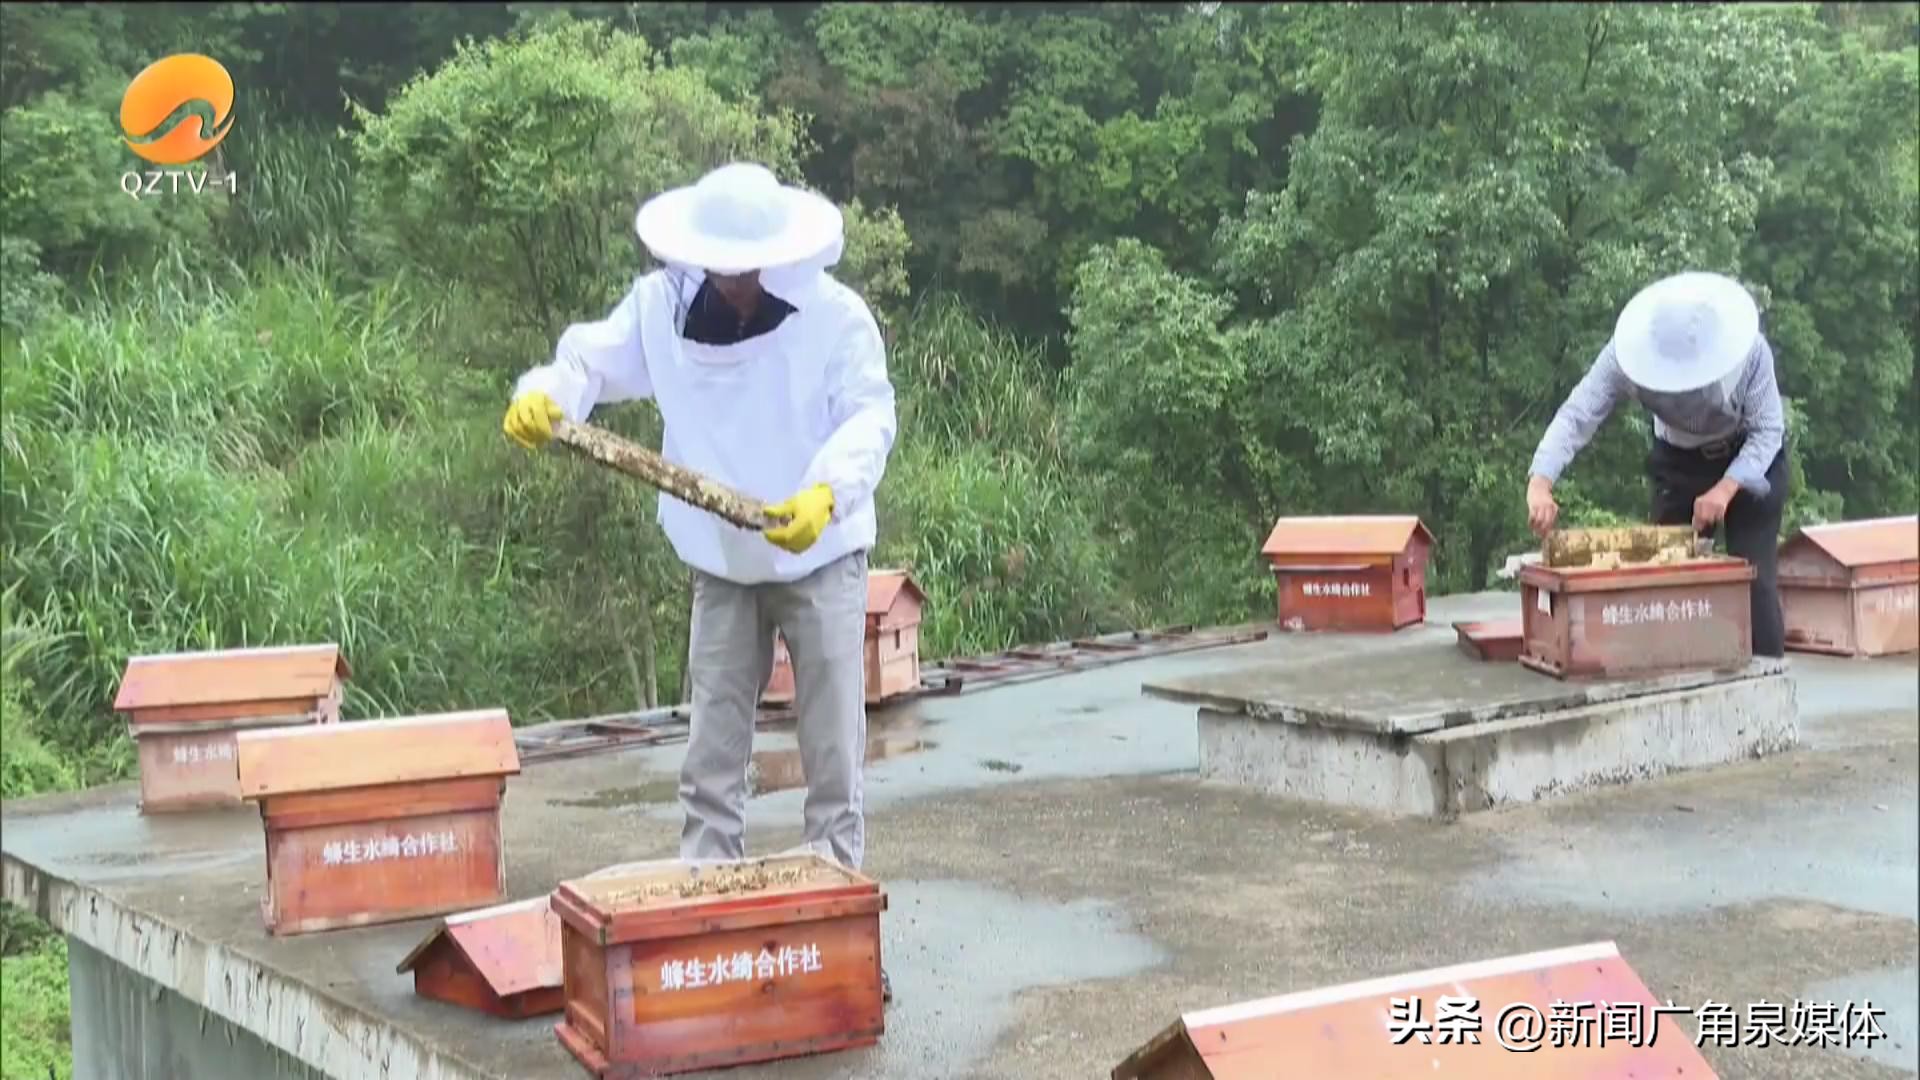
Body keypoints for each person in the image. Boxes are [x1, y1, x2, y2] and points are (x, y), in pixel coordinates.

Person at [501, 162, 897, 998]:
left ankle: (834, 922)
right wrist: (543, 394)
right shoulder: (661, 309)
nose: (734, 282)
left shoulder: (833, 316)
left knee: (833, 748)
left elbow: (870, 414)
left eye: (746, 265)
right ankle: (702, 921)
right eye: (721, 265)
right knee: (713, 746)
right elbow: (588, 363)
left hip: (818, 554)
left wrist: (826, 491)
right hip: (719, 561)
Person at [1525, 270, 1790, 657]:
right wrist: (1540, 480)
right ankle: (1676, 682)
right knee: (1668, 580)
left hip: (1750, 460)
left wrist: (1726, 487)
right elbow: (1577, 415)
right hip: (1679, 464)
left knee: (1753, 581)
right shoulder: (1622, 358)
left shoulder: (1751, 353)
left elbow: (1768, 431)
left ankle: (1766, 684)